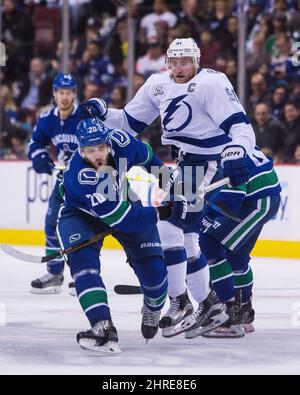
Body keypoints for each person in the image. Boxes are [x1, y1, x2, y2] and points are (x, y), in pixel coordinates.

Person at [77, 37, 256, 338]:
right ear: (167, 62)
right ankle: (205, 303)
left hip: (209, 163)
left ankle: (184, 301)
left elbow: (241, 126)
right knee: (183, 236)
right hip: (185, 164)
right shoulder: (157, 84)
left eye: (187, 61)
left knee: (171, 229)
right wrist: (103, 111)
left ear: (197, 62)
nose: (181, 67)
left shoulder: (212, 84)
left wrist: (239, 150)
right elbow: (128, 123)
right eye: (175, 61)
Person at [56, 117, 169, 352]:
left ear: (109, 144)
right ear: (80, 150)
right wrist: (158, 213)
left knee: (155, 274)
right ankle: (102, 328)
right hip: (81, 214)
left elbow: (149, 158)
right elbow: (123, 219)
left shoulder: (123, 142)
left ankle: (153, 303)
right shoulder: (82, 176)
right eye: (89, 150)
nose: (96, 155)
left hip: (123, 198)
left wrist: (169, 184)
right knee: (83, 267)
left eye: (100, 148)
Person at [199, 146, 281, 338]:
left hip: (255, 201)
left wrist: (208, 213)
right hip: (262, 196)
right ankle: (244, 313)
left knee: (210, 244)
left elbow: (234, 193)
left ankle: (232, 317)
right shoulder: (234, 136)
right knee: (236, 256)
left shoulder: (218, 144)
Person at [28, 73, 79, 294]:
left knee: (81, 228)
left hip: (86, 182)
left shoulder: (84, 117)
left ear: (74, 94)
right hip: (63, 179)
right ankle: (55, 272)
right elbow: (36, 141)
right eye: (61, 92)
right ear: (54, 94)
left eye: (68, 92)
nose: (64, 97)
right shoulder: (48, 118)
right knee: (51, 222)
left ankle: (83, 275)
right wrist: (39, 156)